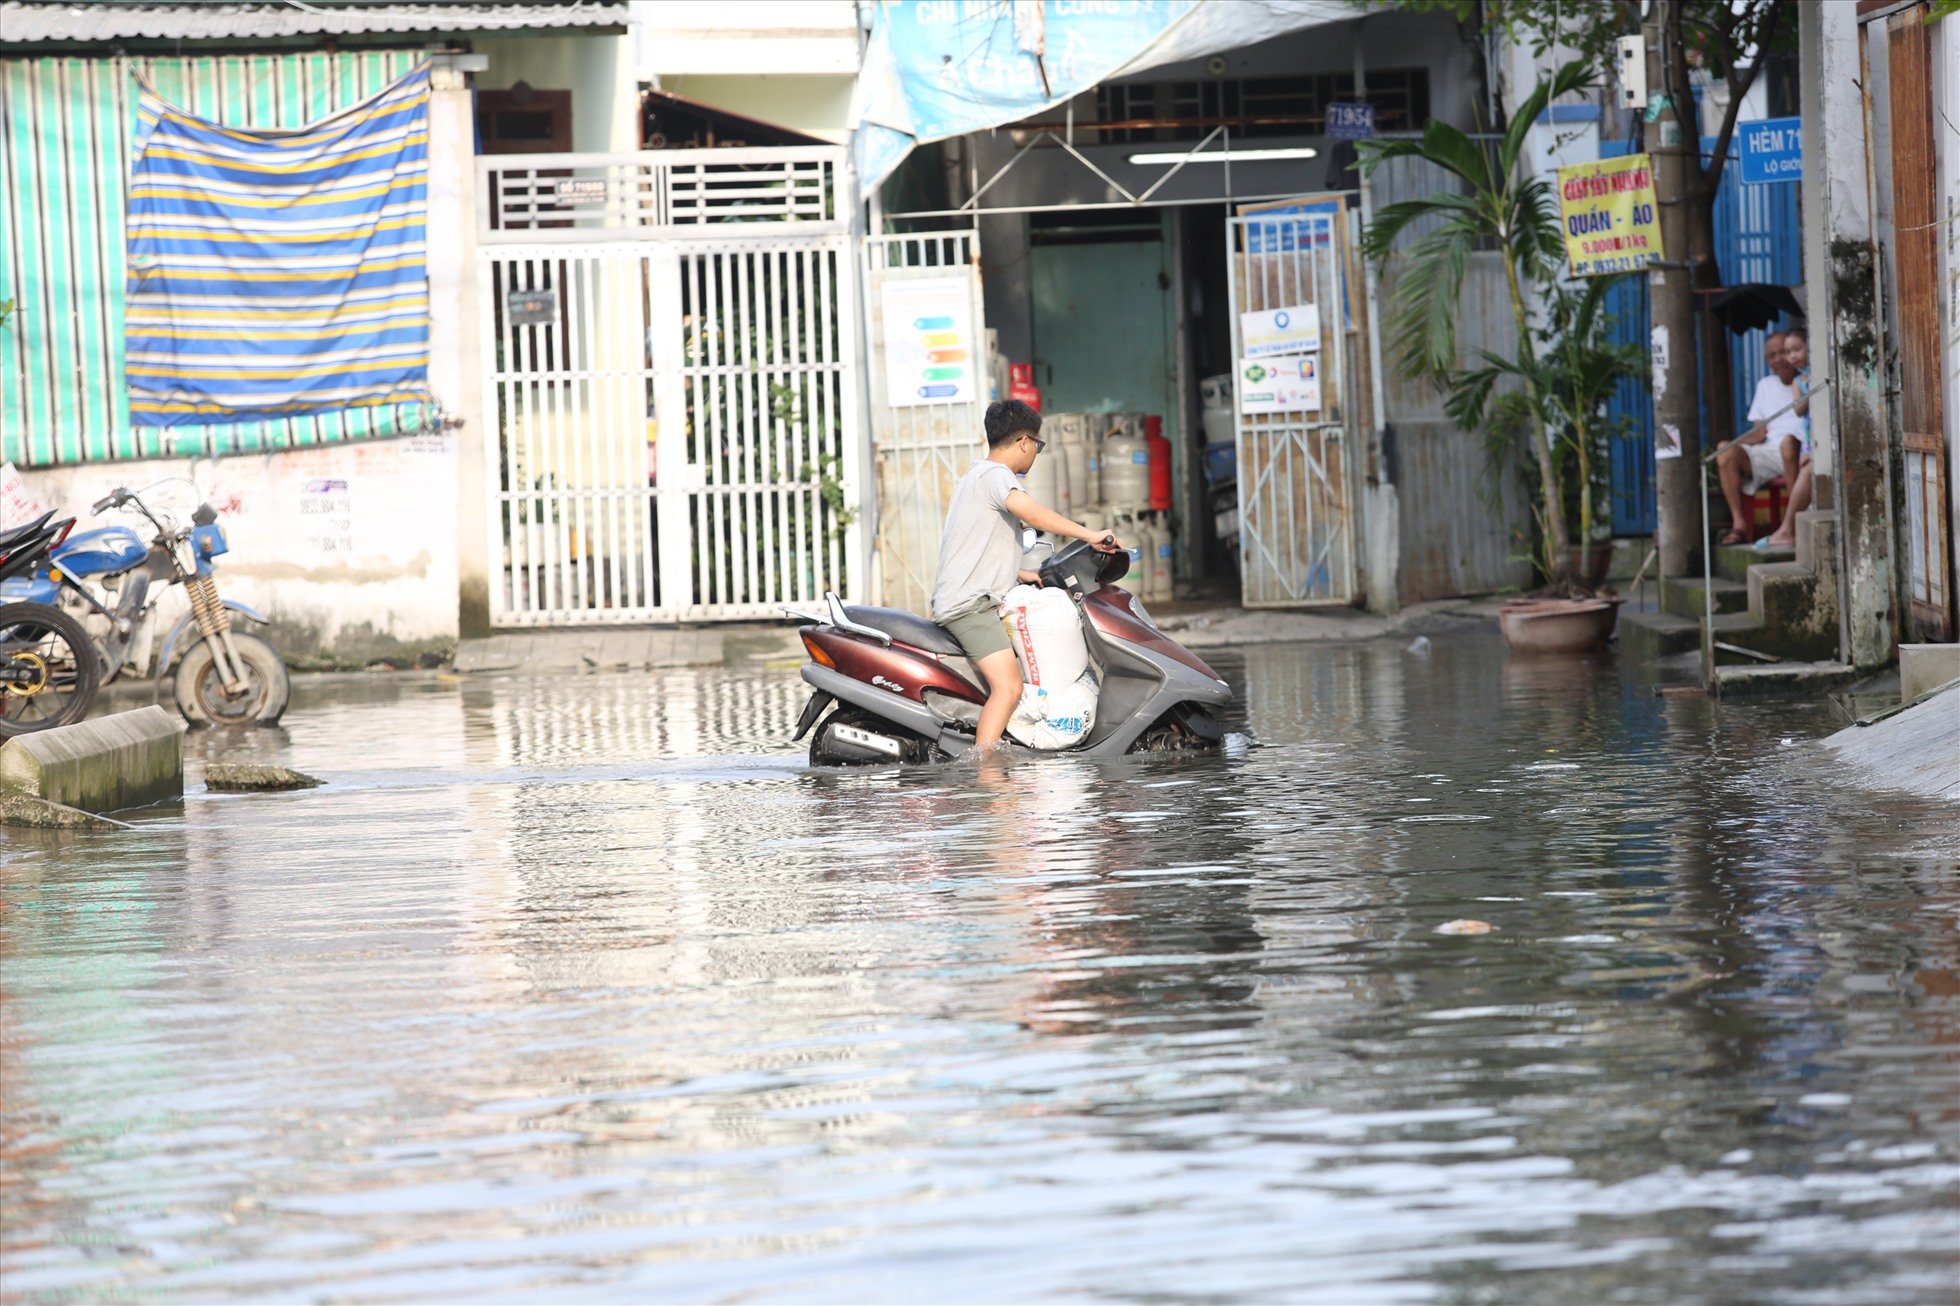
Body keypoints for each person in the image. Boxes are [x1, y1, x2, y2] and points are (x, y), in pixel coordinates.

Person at [933, 400, 1121, 754]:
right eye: (1037, 444)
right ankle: (986, 772)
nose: (1035, 452)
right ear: (1023, 442)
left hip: (972, 599)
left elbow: (975, 544)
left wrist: (1021, 572)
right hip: (969, 607)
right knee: (1010, 688)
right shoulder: (997, 477)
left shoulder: (975, 476)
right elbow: (1032, 514)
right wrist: (1090, 535)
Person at [1714, 330, 1807, 545]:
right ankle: (1739, 526)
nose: (1778, 359)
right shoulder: (1765, 385)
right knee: (1724, 451)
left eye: (1782, 352)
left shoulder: (1805, 380)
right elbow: (1759, 432)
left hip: (1799, 449)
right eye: (1771, 355)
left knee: (1788, 443)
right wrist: (1732, 446)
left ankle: (1793, 526)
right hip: (1770, 451)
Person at [1762, 327, 1814, 549]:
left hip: (1815, 440)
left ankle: (1788, 527)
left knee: (1806, 470)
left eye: (1796, 349)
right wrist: (1809, 390)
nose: (1792, 356)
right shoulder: (1799, 382)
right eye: (1788, 351)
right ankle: (1788, 527)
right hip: (1811, 439)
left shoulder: (1817, 371)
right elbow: (1799, 410)